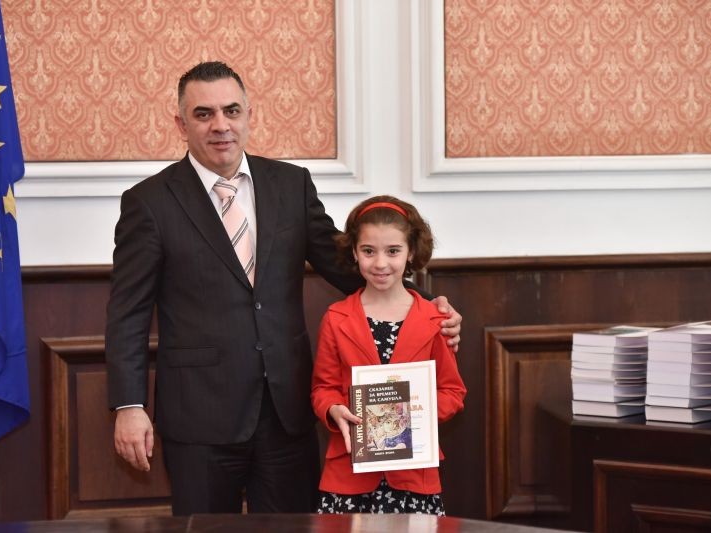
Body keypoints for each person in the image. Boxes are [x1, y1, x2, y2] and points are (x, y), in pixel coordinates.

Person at [105, 61, 462, 515]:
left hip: (287, 411)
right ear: (181, 124)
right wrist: (129, 405)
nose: (221, 125)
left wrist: (427, 308)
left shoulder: (291, 184)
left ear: (249, 115)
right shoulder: (149, 202)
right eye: (204, 114)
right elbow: (128, 314)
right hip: (199, 417)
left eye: (232, 111)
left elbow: (345, 266)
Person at [311, 195, 467, 515]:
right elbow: (323, 388)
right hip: (350, 475)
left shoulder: (435, 320)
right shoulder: (336, 318)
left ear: (411, 252)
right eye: (369, 251)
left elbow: (452, 391)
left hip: (413, 476)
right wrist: (333, 409)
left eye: (393, 251)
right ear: (354, 252)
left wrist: (414, 413)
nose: (380, 263)